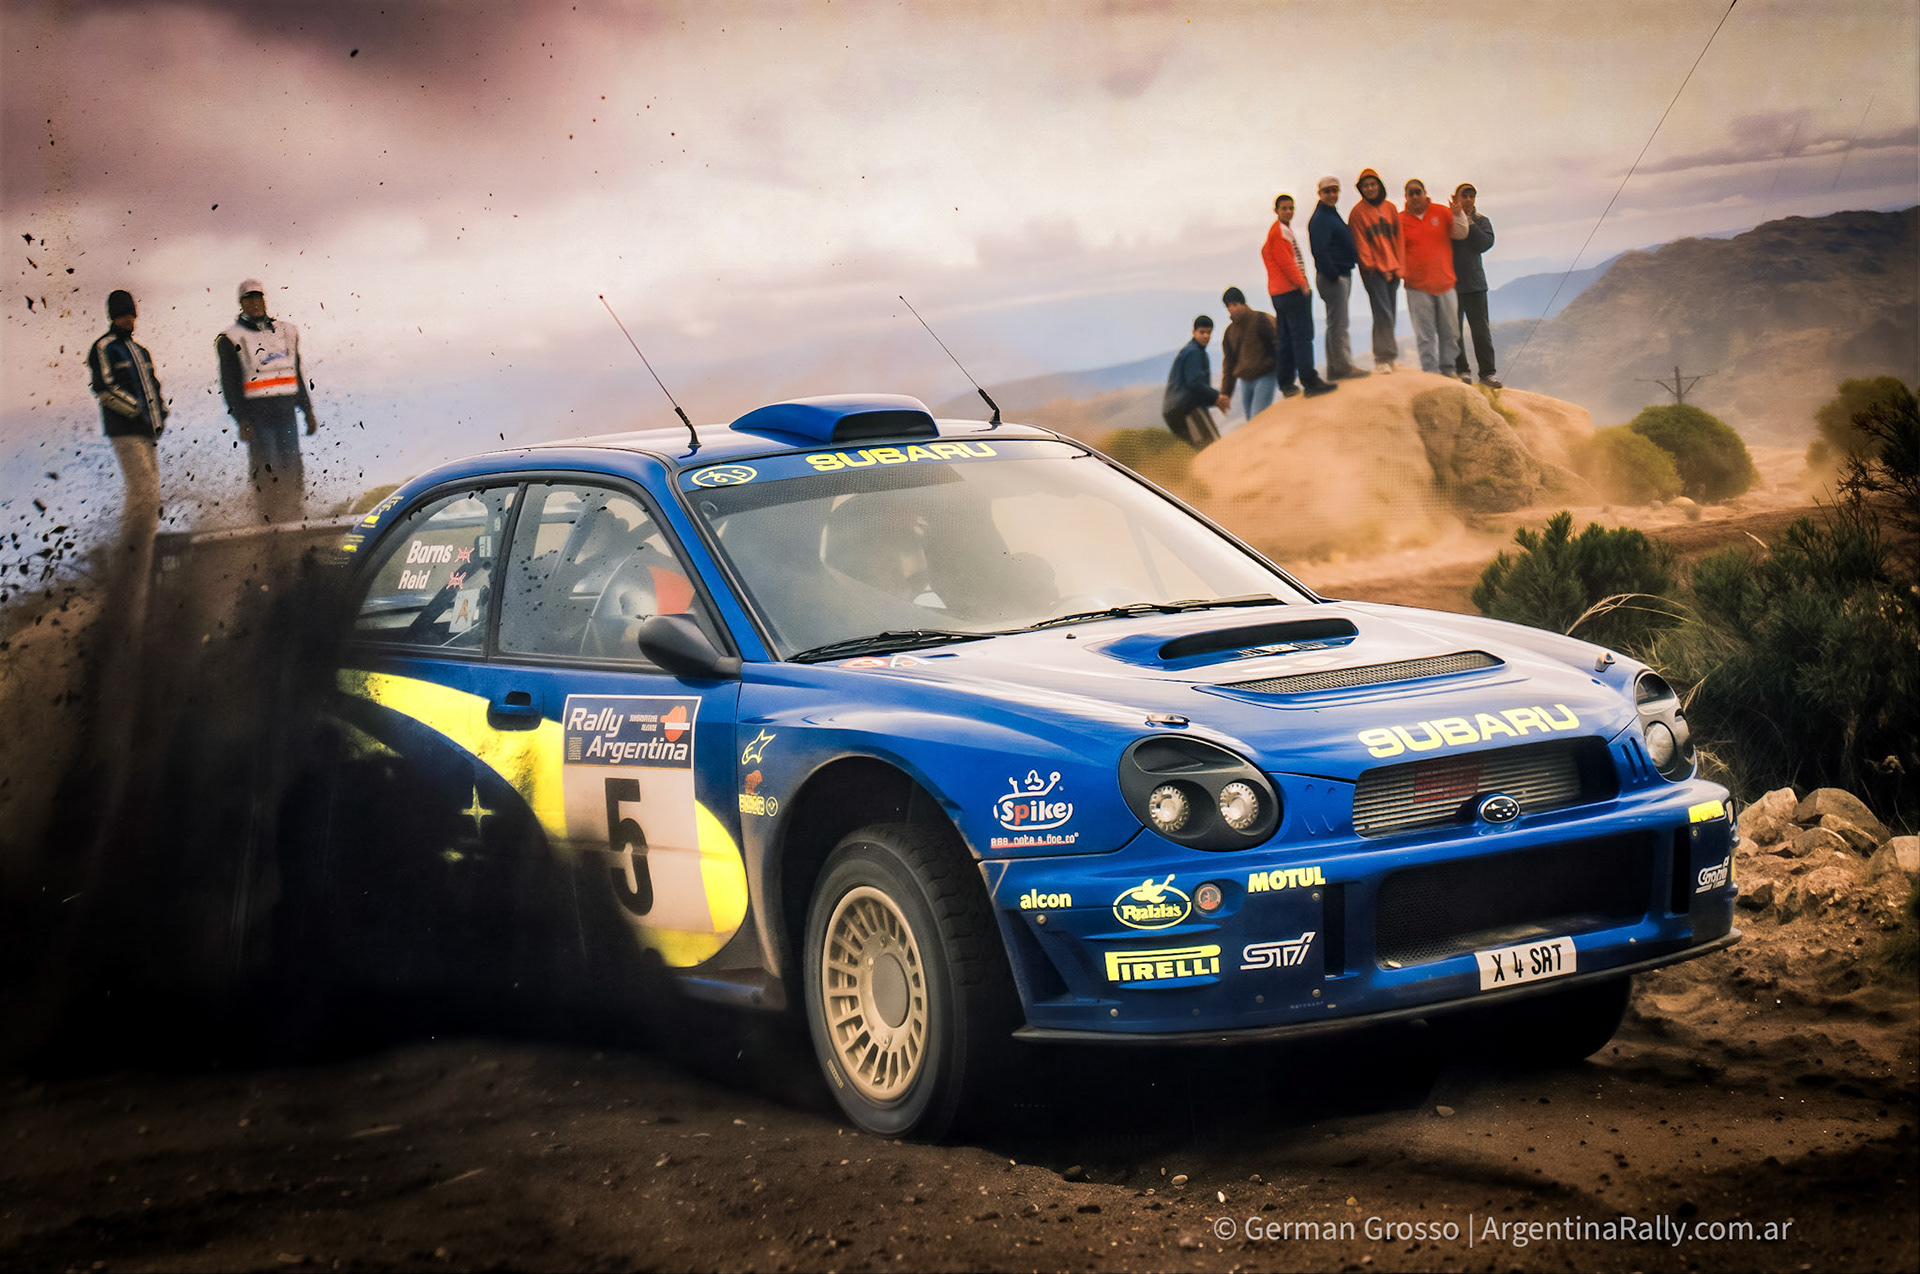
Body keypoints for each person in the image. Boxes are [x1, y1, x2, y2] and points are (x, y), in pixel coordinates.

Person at [216, 278, 319, 523]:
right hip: (257, 415)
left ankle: (295, 516)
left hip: (286, 411)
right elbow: (229, 384)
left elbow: (296, 372)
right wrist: (241, 419)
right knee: (267, 465)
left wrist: (308, 410)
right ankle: (269, 520)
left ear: (264, 299)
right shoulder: (231, 338)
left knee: (292, 465)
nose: (254, 303)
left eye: (257, 297)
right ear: (241, 303)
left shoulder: (286, 331)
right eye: (248, 298)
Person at [87, 288, 167, 583]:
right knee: (143, 490)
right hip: (124, 431)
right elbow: (104, 388)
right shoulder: (104, 347)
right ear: (112, 316)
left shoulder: (140, 351)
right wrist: (136, 410)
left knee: (151, 492)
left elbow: (153, 385)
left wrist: (160, 413)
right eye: (121, 315)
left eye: (130, 314)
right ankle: (133, 552)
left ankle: (146, 547)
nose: (127, 319)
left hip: (147, 431)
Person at [1260, 195, 1336, 399]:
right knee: (1302, 336)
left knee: (1286, 337)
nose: (1288, 212)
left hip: (1279, 292)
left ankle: (1286, 382)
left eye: (1291, 208)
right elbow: (1287, 262)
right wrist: (1302, 284)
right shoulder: (1280, 232)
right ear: (1276, 210)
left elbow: (1268, 254)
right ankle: (1309, 381)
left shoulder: (1277, 232)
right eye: (1284, 208)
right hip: (1291, 291)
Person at [1398, 178, 1468, 375]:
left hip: (1445, 282)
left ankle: (1448, 369)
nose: (1415, 196)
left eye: (1417, 192)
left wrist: (1458, 214)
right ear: (1406, 197)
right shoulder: (1399, 220)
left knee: (1451, 331)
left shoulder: (1441, 212)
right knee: (1425, 334)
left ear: (1424, 193)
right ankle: (1431, 373)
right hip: (1416, 286)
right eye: (1411, 193)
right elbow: (1394, 248)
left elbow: (1461, 233)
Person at [1307, 175, 1368, 380]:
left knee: (1336, 323)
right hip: (1333, 277)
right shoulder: (1321, 218)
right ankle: (1343, 366)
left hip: (1339, 274)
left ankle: (1335, 367)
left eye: (1335, 191)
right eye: (1327, 191)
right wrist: (1334, 275)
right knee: (1339, 324)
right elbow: (1320, 250)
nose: (1332, 195)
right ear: (1320, 193)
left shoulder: (1330, 214)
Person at [1347, 168, 1403, 373]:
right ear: (1361, 189)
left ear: (1379, 185)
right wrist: (1376, 267)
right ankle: (1382, 359)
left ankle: (1390, 357)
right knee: (1382, 313)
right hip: (1373, 272)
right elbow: (1361, 244)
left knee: (1391, 312)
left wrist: (1398, 266)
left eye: (1373, 184)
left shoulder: (1390, 208)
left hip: (1393, 269)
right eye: (1366, 186)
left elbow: (1399, 238)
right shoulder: (1357, 213)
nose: (1370, 188)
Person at [1450, 182, 1501, 388]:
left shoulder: (1481, 221)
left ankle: (1487, 374)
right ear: (1456, 198)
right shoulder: (1448, 221)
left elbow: (1484, 244)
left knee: (1481, 331)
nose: (1468, 199)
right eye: (1464, 196)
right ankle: (1461, 371)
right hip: (1451, 284)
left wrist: (1468, 221)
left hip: (1476, 285)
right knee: (1454, 331)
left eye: (1471, 196)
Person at [1161, 315, 1228, 448]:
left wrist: (1213, 400)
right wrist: (1216, 397)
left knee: (1196, 447)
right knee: (1212, 445)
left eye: (1209, 332)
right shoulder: (1194, 352)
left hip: (1175, 410)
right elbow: (1195, 383)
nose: (1206, 336)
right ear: (1194, 332)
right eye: (1202, 332)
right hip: (1186, 408)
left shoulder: (1192, 350)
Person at [1218, 287, 1278, 424]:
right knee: (1251, 422)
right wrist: (1226, 392)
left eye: (1234, 304)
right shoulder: (1230, 332)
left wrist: (1285, 373)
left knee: (1257, 420)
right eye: (1228, 306)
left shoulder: (1261, 319)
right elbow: (1229, 363)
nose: (1231, 309)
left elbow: (1278, 345)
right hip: (1245, 380)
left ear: (1243, 303)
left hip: (1266, 376)